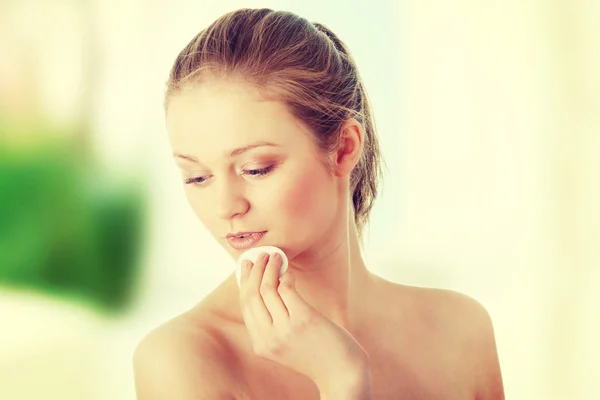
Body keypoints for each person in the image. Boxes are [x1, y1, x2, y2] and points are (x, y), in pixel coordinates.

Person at [133, 8, 504, 399]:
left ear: (344, 148)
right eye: (197, 177)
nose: (225, 206)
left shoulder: (460, 331)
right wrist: (341, 379)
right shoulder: (182, 360)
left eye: (256, 168)